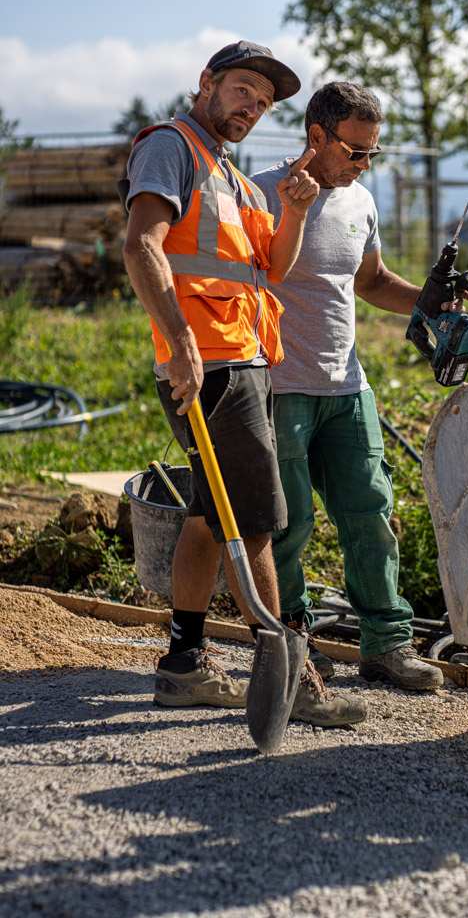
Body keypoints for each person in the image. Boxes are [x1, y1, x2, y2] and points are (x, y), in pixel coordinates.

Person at [121, 43, 368, 728]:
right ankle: (291, 674)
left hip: (242, 356)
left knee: (211, 512)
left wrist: (291, 212)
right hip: (211, 363)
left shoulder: (227, 174)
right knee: (254, 520)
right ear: (206, 84)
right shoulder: (172, 147)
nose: (250, 108)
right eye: (240, 90)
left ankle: (183, 663)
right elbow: (141, 245)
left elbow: (274, 269)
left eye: (261, 102)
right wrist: (180, 345)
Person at [252, 82, 467, 691]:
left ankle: (386, 645)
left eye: (373, 152)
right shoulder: (261, 194)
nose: (364, 163)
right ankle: (293, 650)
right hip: (278, 385)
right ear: (316, 137)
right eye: (355, 150)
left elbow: (370, 281)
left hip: (348, 386)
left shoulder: (360, 201)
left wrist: (425, 303)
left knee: (372, 515)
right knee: (287, 526)